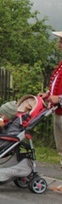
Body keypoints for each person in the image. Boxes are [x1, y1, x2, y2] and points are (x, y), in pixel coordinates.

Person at [43, 31, 62, 171]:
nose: (59, 45)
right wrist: (49, 94)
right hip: (58, 111)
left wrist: (59, 98)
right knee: (61, 148)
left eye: (61, 42)